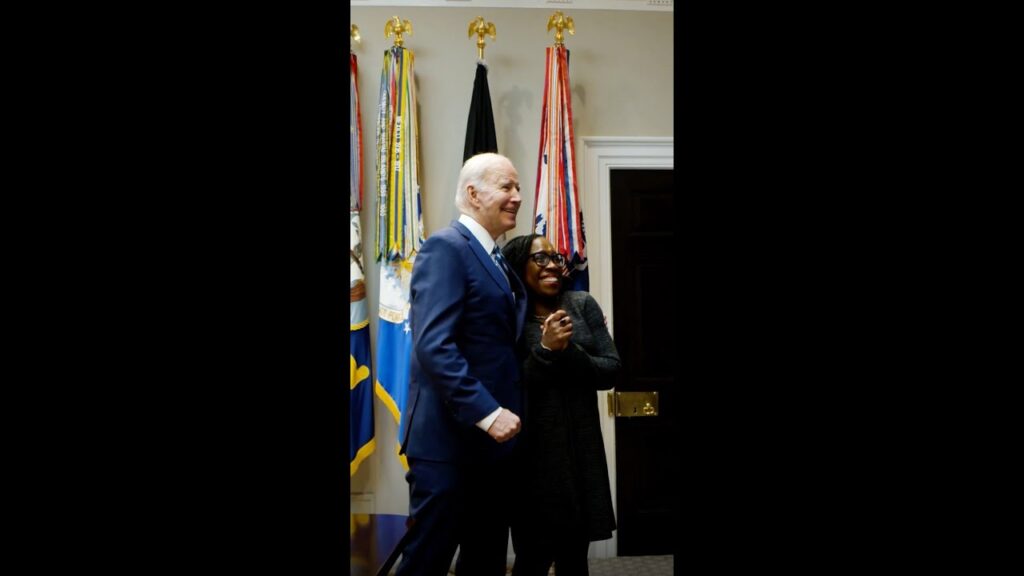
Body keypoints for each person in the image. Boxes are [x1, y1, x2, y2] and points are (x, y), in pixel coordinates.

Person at [396, 153, 528, 576]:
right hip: (448, 446)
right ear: (473, 193)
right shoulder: (446, 248)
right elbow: (435, 345)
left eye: (517, 188)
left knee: (486, 561)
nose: (517, 197)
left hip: (492, 449)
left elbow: (496, 342)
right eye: (506, 187)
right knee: (427, 562)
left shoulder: (498, 258)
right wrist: (488, 413)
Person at [501, 234, 620, 576]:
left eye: (556, 257)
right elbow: (510, 385)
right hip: (531, 458)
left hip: (580, 454)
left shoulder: (581, 304)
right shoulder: (508, 316)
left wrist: (569, 351)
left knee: (574, 559)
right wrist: (545, 350)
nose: (552, 265)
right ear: (518, 266)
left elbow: (610, 370)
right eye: (540, 259)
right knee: (532, 559)